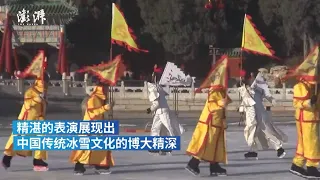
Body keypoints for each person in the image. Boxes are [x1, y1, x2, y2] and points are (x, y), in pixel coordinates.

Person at [2, 73, 50, 171]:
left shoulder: (44, 92)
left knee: (41, 139)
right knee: (17, 138)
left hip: (38, 120)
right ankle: (7, 157)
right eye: (45, 81)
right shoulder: (31, 91)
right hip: (27, 119)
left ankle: (38, 160)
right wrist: (37, 99)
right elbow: (27, 104)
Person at [237, 73, 287, 160]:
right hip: (251, 114)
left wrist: (273, 100)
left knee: (267, 131)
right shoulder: (245, 89)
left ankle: (279, 149)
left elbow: (267, 95)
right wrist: (241, 109)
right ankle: (253, 151)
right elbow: (245, 100)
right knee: (252, 133)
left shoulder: (258, 88)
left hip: (260, 114)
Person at [70, 78, 115, 175]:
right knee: (85, 148)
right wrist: (105, 108)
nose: (107, 90)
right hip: (88, 126)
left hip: (97, 126)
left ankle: (100, 165)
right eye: (106, 87)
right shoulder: (94, 99)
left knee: (100, 146)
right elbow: (92, 112)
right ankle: (79, 167)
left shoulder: (101, 99)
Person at [185, 86, 232, 176]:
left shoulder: (221, 90)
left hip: (217, 122)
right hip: (210, 123)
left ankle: (214, 166)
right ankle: (193, 163)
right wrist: (222, 103)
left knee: (215, 145)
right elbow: (212, 106)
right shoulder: (215, 90)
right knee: (207, 143)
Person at [290, 78, 320, 178]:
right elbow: (297, 103)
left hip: (312, 118)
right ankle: (311, 166)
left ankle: (297, 164)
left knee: (304, 143)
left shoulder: (315, 85)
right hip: (306, 118)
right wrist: (310, 102)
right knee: (311, 142)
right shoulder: (300, 86)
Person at [146, 82, 185, 155]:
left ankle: (167, 145)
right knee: (159, 129)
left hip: (161, 111)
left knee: (166, 128)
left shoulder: (153, 90)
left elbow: (156, 104)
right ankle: (161, 146)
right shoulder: (159, 88)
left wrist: (149, 110)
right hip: (161, 111)